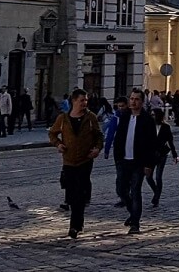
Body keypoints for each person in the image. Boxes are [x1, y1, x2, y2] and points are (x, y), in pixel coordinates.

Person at [48, 88, 103, 238]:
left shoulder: (90, 117)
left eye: (86, 100)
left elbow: (99, 136)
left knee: (79, 194)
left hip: (85, 160)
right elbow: (52, 133)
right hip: (69, 161)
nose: (84, 103)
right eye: (82, 100)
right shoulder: (63, 118)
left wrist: (97, 149)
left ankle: (76, 226)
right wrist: (58, 144)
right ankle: (76, 221)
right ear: (74, 101)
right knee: (71, 194)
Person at [115, 89, 160, 234]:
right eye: (132, 99)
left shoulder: (147, 120)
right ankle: (132, 213)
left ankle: (135, 223)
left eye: (136, 99)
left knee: (135, 191)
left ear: (142, 102)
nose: (133, 102)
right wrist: (117, 156)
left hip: (139, 162)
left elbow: (152, 144)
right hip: (124, 160)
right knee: (121, 189)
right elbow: (119, 137)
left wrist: (149, 165)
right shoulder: (124, 117)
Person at [147, 108, 178, 207]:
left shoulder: (165, 127)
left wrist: (175, 155)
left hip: (162, 154)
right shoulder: (149, 126)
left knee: (158, 176)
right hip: (151, 154)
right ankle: (156, 192)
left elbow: (170, 141)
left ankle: (156, 197)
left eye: (154, 115)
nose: (152, 117)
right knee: (148, 177)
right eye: (151, 115)